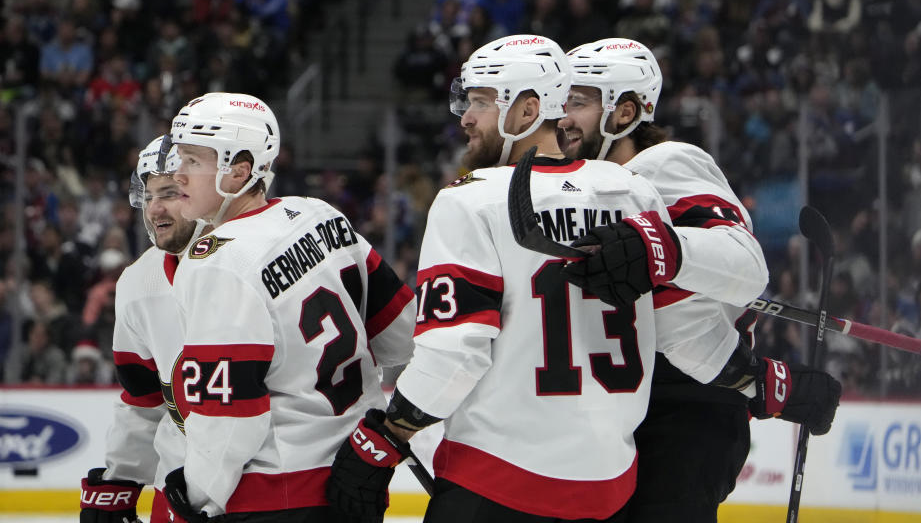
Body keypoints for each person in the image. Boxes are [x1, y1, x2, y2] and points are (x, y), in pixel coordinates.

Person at [324, 34, 811, 523]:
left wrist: (390, 434)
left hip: (510, 477)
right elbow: (680, 325)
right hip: (609, 486)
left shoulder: (478, 197)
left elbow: (455, 352)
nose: (465, 117)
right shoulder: (631, 193)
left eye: (479, 102)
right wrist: (761, 380)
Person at [558, 38, 842, 522]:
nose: (562, 117)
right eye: (559, 101)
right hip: (618, 404)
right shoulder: (572, 186)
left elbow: (744, 264)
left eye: (578, 102)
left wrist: (660, 248)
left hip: (688, 409)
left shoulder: (663, 165)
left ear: (624, 112)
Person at [163, 92, 415, 522]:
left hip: (274, 493)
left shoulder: (217, 260)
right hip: (357, 480)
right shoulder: (319, 214)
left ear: (239, 170)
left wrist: (197, 497)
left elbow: (231, 415)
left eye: (193, 161)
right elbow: (401, 331)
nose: (177, 175)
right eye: (178, 158)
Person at [80, 135, 202, 523]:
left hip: (267, 488)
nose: (154, 209)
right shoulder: (137, 283)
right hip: (180, 489)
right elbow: (144, 397)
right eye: (147, 196)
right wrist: (122, 479)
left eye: (168, 192)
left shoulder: (257, 259)